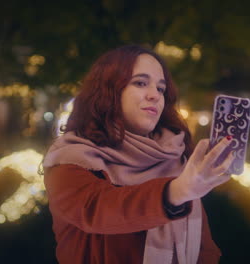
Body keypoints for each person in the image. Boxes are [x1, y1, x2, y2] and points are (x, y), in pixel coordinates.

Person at [42, 45, 235, 264]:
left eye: (161, 89)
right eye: (141, 83)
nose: (154, 95)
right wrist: (176, 192)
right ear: (109, 89)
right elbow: (99, 210)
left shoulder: (175, 158)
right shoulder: (71, 159)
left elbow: (204, 249)